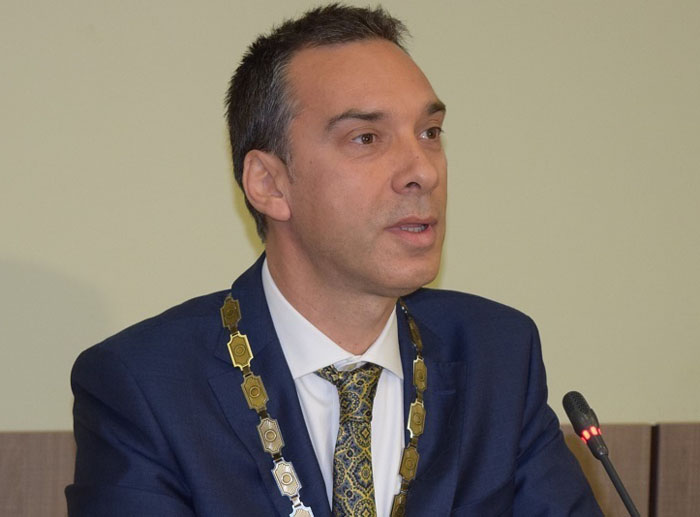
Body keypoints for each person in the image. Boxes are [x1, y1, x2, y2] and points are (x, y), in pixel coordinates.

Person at [66, 4, 602, 516]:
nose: (423, 171)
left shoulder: (497, 356)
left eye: (430, 133)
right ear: (269, 184)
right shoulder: (146, 387)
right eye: (366, 138)